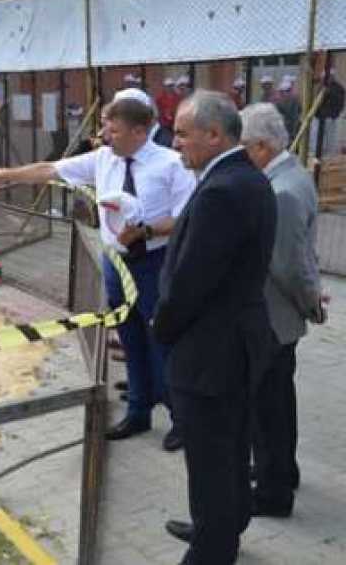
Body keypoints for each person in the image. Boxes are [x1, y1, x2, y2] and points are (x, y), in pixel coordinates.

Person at [0, 97, 195, 451]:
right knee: (130, 336)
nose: (104, 133)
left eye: (113, 128)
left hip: (155, 264)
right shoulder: (103, 159)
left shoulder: (172, 165)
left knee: (162, 341)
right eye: (105, 125)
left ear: (140, 130)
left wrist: (147, 231)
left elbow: (186, 218)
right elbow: (50, 170)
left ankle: (182, 418)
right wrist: (4, 176)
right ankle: (138, 411)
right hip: (116, 264)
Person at [155, 91, 276, 565]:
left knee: (210, 459)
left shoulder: (223, 191)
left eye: (183, 133)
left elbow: (190, 282)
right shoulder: (244, 176)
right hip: (236, 343)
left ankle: (213, 547)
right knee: (230, 446)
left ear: (214, 134)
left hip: (212, 352)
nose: (176, 142)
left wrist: (160, 327)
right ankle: (224, 524)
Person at [240, 103, 325, 518]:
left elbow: (288, 265)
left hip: (275, 319)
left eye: (243, 146)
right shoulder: (291, 176)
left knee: (268, 407)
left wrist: (311, 303)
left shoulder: (281, 191)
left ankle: (274, 492)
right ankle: (280, 470)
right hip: (279, 317)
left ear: (261, 146)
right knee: (277, 402)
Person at [315, 69, 345, 156]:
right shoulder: (322, 87)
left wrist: (333, 115)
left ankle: (330, 159)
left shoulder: (338, 88)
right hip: (321, 119)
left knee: (331, 143)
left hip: (331, 119)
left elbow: (338, 103)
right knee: (322, 143)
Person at [275, 76, 301, 140]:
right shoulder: (280, 103)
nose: (285, 93)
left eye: (287, 90)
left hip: (293, 128)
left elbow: (295, 117)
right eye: (283, 91)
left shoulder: (295, 100)